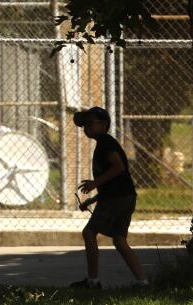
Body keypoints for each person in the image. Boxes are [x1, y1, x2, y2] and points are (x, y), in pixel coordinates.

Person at [70, 106, 148, 289]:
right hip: (124, 196)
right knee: (119, 240)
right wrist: (91, 200)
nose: (86, 128)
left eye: (90, 123)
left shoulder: (106, 143)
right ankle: (143, 281)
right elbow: (114, 182)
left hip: (117, 198)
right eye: (84, 125)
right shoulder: (103, 143)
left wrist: (95, 183)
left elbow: (118, 167)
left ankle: (93, 281)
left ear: (104, 124)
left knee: (89, 233)